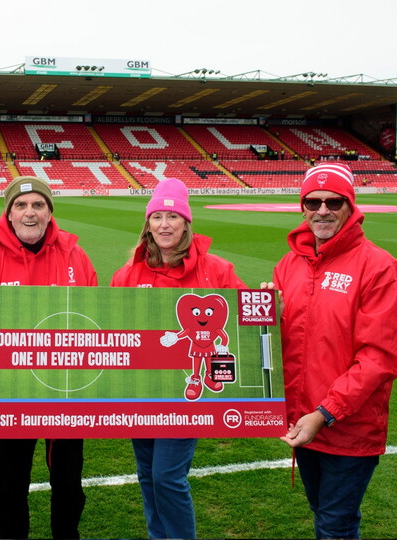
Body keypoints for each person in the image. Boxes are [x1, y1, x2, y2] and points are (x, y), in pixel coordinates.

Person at [264, 162, 397, 539]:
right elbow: (283, 345)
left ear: (351, 206)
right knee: (323, 513)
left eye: (333, 202)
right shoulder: (289, 264)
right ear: (302, 206)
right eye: (313, 201)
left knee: (335, 523)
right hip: (303, 421)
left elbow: (378, 358)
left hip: (348, 426)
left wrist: (325, 413)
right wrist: (268, 320)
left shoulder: (380, 268)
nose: (322, 211)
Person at [110, 178, 246, 539]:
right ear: (148, 223)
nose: (165, 224)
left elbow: (246, 321)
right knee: (147, 474)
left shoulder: (217, 270)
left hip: (188, 397)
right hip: (142, 392)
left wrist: (269, 306)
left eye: (173, 216)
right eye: (157, 216)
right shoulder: (127, 274)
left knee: (167, 476)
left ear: (187, 223)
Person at [0, 176, 97, 539]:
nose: (29, 213)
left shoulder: (75, 256)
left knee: (69, 483)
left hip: (66, 392)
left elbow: (94, 321)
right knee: (10, 483)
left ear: (50, 211)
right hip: (10, 394)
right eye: (20, 206)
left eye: (38, 205)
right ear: (8, 214)